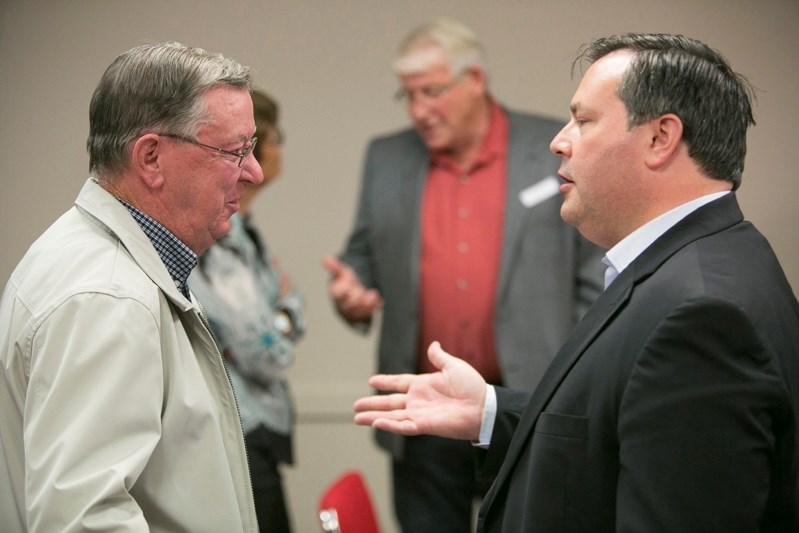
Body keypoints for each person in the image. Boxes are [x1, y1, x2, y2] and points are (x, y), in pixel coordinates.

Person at [353, 32, 799, 532]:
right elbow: (615, 425)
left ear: (660, 138)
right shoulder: (705, 258)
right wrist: (490, 409)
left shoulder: (702, 314)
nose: (559, 141)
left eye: (583, 121)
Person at [323, 17, 604, 533]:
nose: (419, 111)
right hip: (424, 407)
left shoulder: (552, 148)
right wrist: (352, 293)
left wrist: (577, 369)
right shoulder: (387, 157)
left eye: (432, 92)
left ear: (475, 78)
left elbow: (594, 268)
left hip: (529, 400)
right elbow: (360, 256)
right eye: (407, 96)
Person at [0, 42, 263, 532]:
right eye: (235, 151)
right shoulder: (107, 297)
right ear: (150, 158)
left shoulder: (97, 262)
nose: (254, 171)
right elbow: (84, 521)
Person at [188, 89, 304, 533]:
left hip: (254, 425)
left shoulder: (245, 231)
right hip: (239, 428)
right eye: (272, 140)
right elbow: (268, 353)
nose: (271, 154)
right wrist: (282, 319)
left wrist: (282, 317)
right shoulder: (218, 240)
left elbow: (293, 310)